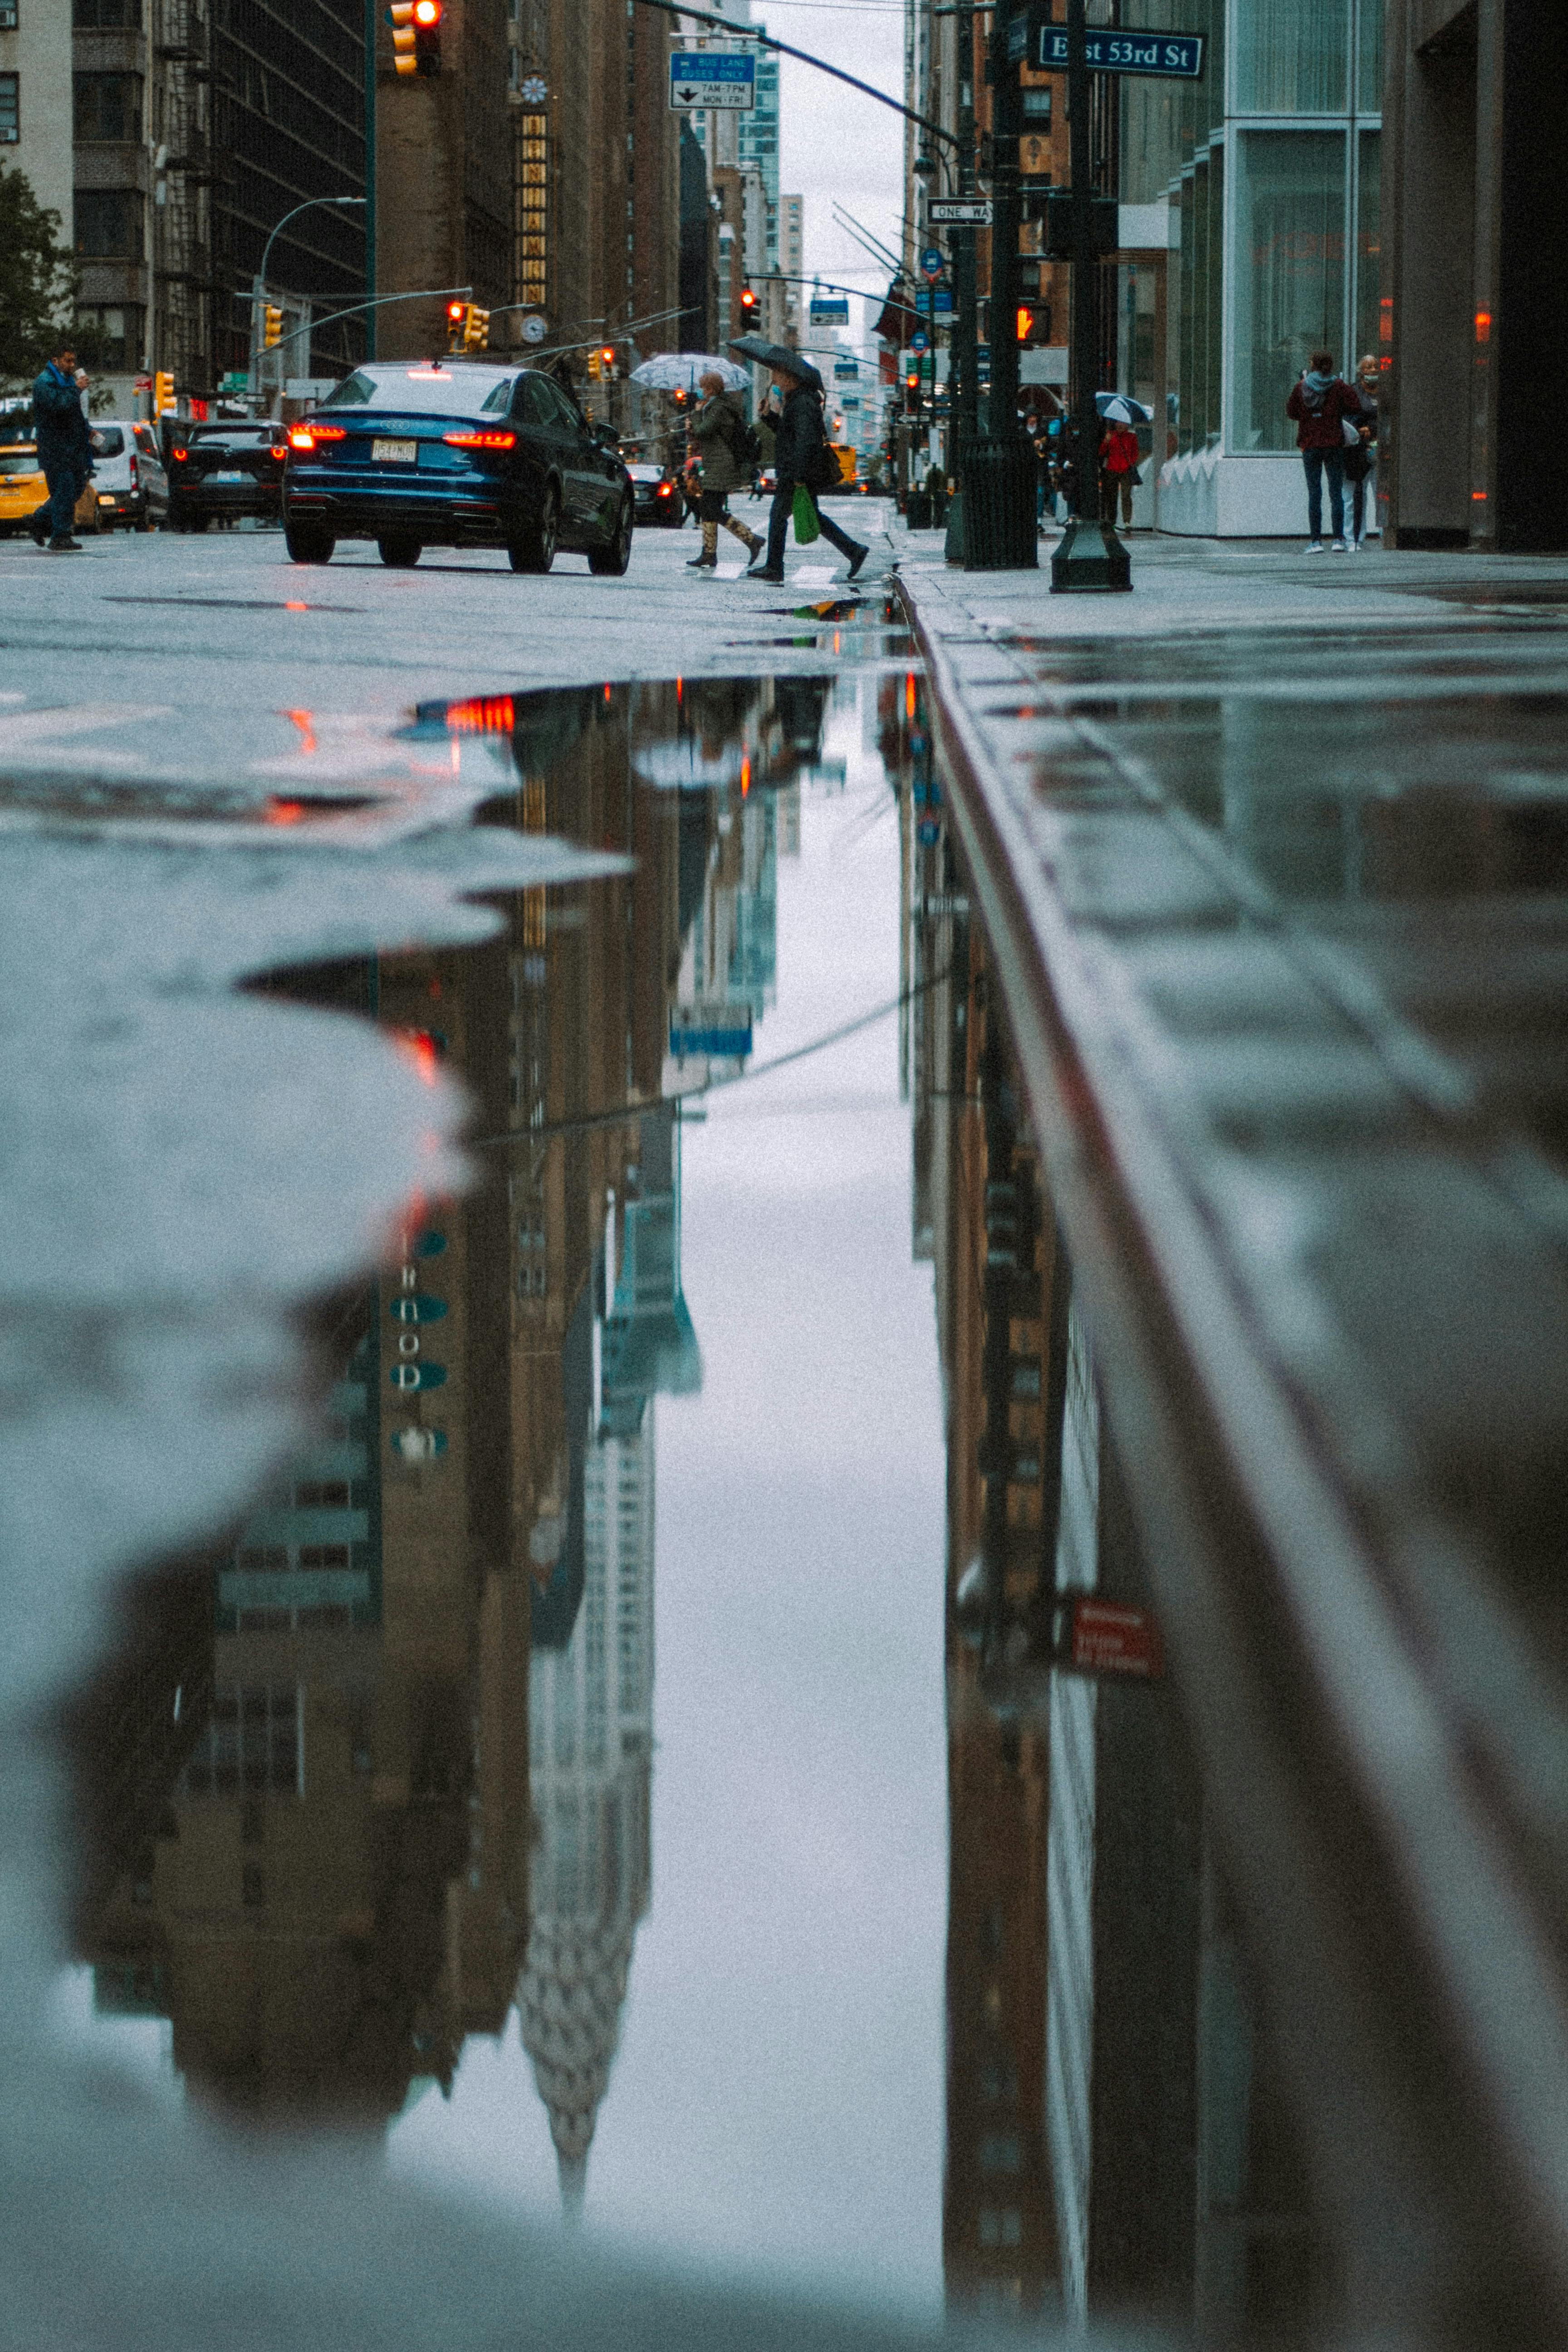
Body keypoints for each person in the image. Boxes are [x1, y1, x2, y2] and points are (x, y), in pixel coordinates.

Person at [749, 363, 869, 586]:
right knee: (814, 516)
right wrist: (768, 416)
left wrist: (799, 474)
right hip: (798, 468)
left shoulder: (802, 403)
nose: (774, 380)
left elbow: (805, 441)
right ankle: (854, 551)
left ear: (789, 378)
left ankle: (774, 567)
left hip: (797, 470)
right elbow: (789, 434)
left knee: (778, 516)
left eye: (777, 375)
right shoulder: (798, 401)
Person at [683, 370, 765, 571]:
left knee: (710, 508)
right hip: (716, 463)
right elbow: (703, 435)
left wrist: (695, 413)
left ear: (711, 389)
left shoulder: (719, 408)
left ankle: (752, 539)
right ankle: (709, 554)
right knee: (709, 509)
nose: (702, 391)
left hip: (723, 464)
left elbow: (704, 431)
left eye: (704, 388)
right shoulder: (714, 407)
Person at [1285, 348, 1360, 552]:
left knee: (1314, 493)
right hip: (1334, 444)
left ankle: (1316, 541)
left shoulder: (1301, 387)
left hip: (1310, 445)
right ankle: (1338, 540)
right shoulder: (1338, 386)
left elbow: (1291, 412)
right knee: (1336, 493)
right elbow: (1355, 406)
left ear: (1313, 364)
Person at [29, 343, 93, 553]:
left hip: (72, 447)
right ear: (55, 361)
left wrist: (89, 430)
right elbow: (58, 406)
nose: (72, 365)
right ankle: (60, 535)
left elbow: (74, 414)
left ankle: (38, 519)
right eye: (67, 361)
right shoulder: (44, 382)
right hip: (55, 448)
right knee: (64, 490)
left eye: (74, 361)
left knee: (74, 489)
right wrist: (77, 389)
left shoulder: (66, 381)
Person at [1343, 353, 1380, 550]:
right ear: (1361, 372)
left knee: (1381, 493)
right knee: (1354, 496)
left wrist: (1373, 430)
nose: (1373, 370)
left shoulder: (1385, 392)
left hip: (1380, 449)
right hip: (1358, 451)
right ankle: (1354, 537)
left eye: (1376, 366)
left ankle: (1385, 534)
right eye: (1368, 367)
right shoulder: (1353, 392)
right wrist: (1359, 429)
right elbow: (1348, 418)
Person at [1098, 419, 1140, 529]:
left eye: (1123, 423)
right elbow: (1102, 452)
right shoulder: (1111, 435)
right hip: (1112, 469)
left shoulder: (1132, 437)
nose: (1120, 425)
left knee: (1126, 495)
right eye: (1118, 423)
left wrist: (1131, 462)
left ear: (1127, 425)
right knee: (1111, 496)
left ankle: (1127, 521)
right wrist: (1106, 442)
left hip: (1126, 470)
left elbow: (1135, 452)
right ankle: (1111, 520)